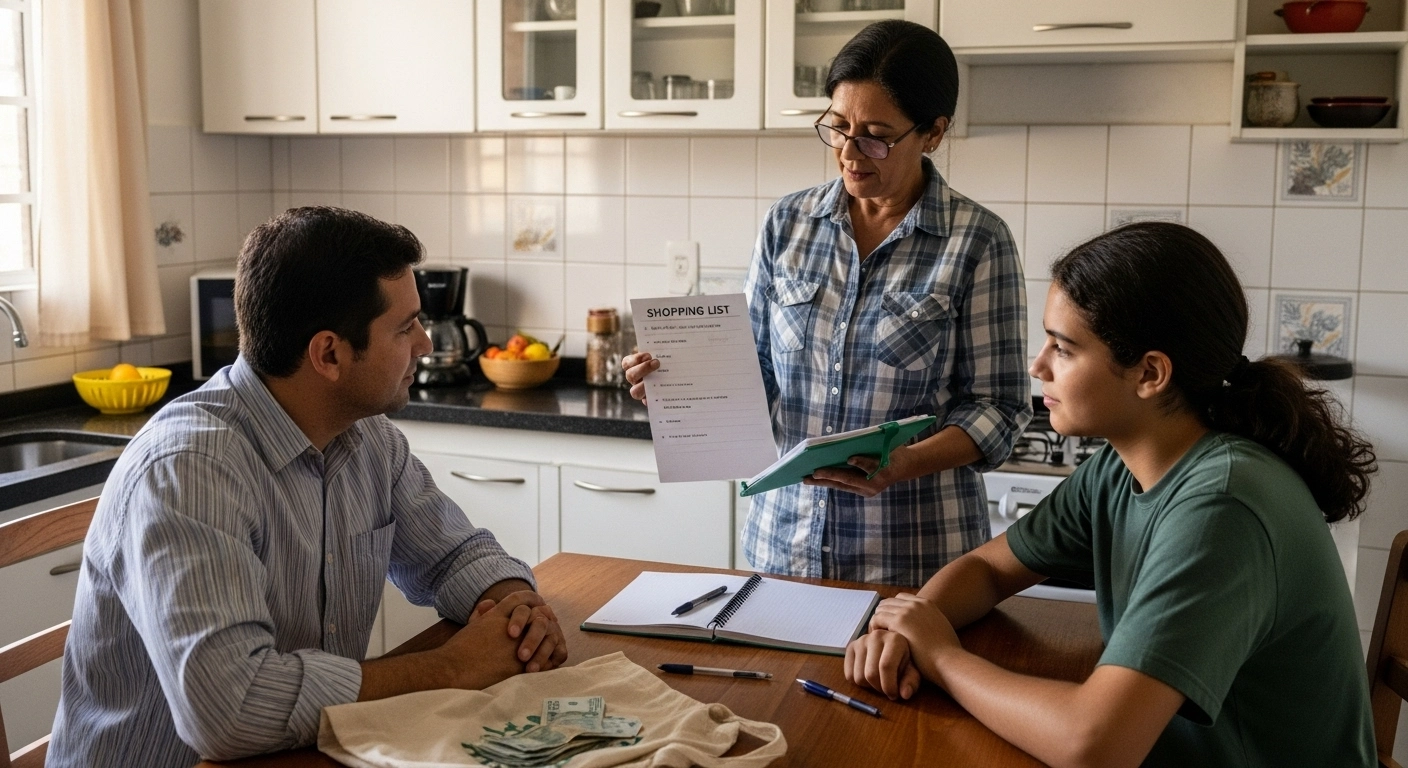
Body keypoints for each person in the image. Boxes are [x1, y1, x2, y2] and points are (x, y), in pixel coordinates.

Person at [48, 207, 568, 767]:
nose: (423, 343)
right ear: (329, 354)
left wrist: (517, 609)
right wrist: (452, 667)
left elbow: (458, 556)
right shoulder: (189, 469)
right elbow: (230, 709)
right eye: (404, 327)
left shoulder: (368, 437)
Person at [845, 222, 1377, 767]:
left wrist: (940, 656)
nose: (1038, 366)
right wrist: (908, 626)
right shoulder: (1122, 469)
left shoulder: (1223, 505)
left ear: (1150, 373)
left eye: (1064, 348)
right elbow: (990, 569)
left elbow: (1094, 745)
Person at [623, 20, 1031, 587]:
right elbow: (757, 372)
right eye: (837, 127)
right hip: (783, 547)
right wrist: (678, 387)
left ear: (933, 133)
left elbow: (1000, 408)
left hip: (913, 560)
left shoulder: (978, 241)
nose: (847, 151)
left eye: (875, 135)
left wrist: (901, 464)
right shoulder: (786, 224)